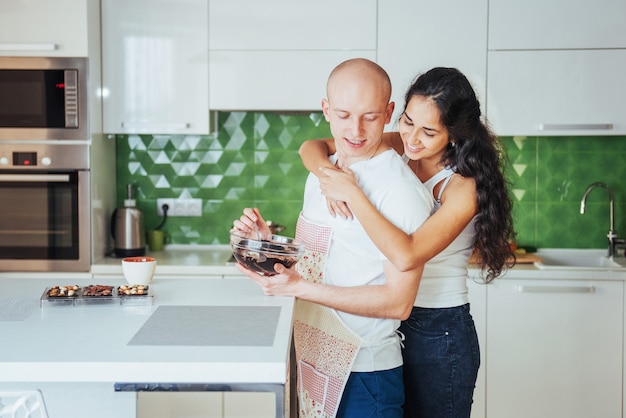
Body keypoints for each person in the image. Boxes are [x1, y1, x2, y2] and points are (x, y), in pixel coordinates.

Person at [298, 67, 516, 418]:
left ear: (455, 134)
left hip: (438, 331)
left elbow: (406, 254)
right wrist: (328, 176)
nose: (413, 138)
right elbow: (313, 146)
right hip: (393, 323)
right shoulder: (404, 145)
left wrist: (352, 193)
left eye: (429, 131)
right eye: (408, 121)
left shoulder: (462, 187)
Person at [234, 58, 434, 418]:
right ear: (325, 110)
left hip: (364, 375)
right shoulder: (324, 172)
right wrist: (265, 246)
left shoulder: (399, 191)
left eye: (370, 116)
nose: (355, 129)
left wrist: (297, 287)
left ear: (389, 113)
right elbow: (323, 259)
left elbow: (398, 303)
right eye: (343, 115)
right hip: (314, 361)